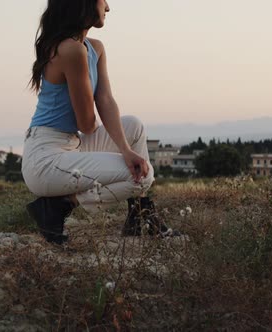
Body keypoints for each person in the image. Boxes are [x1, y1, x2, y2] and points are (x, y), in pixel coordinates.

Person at [22, 0, 179, 244]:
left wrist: (125, 150)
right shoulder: (69, 50)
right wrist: (121, 154)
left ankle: (140, 214)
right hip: (45, 160)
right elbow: (87, 124)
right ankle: (58, 206)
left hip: (71, 146)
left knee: (133, 126)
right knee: (141, 177)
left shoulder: (94, 47)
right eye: (103, 0)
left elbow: (105, 99)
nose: (107, 7)